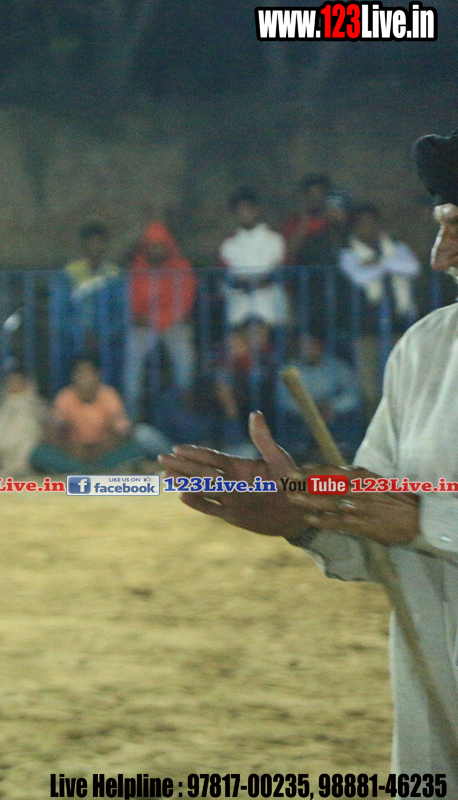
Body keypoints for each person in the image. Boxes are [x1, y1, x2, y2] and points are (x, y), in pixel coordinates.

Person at [158, 127, 458, 773]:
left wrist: (425, 520)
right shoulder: (426, 350)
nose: (440, 257)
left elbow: (409, 520)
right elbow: (379, 528)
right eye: (441, 226)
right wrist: (305, 513)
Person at [338, 204, 421, 416]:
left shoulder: (396, 247)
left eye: (371, 222)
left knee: (404, 383)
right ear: (354, 227)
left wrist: (378, 264)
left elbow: (413, 268)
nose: (368, 227)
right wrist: (388, 265)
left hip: (399, 325)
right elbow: (359, 276)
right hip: (366, 330)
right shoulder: (348, 253)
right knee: (370, 389)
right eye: (362, 223)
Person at [32, 357, 168, 474]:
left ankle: (88, 472)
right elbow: (55, 435)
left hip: (105, 455)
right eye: (80, 373)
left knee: (138, 444)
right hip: (75, 456)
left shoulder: (108, 395)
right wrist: (73, 449)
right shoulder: (65, 397)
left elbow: (122, 434)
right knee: (39, 453)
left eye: (88, 373)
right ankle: (92, 472)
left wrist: (100, 448)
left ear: (98, 376)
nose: (84, 379)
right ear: (73, 377)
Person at [122, 220, 198, 420]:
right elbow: (134, 306)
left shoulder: (181, 267)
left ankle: (185, 406)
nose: (155, 250)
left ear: (168, 246)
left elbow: (184, 302)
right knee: (132, 356)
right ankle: (132, 414)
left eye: (159, 245)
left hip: (173, 324)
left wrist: (161, 320)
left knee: (184, 354)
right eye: (152, 246)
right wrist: (150, 319)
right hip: (146, 325)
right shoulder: (137, 269)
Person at [275, 333, 363, 462]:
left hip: (333, 416)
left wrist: (332, 407)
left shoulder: (338, 367)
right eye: (304, 345)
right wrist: (308, 410)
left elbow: (353, 394)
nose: (308, 349)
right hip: (301, 418)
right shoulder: (289, 369)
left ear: (321, 345)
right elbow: (283, 399)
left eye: (312, 345)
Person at [220, 188, 287, 328]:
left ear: (257, 210)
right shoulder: (229, 244)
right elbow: (226, 276)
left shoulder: (274, 239)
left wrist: (256, 283)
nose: (245, 214)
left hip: (269, 308)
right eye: (240, 210)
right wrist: (244, 284)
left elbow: (279, 271)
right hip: (239, 309)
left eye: (248, 209)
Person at [211, 318, 278, 458]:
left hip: (263, 403)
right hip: (235, 404)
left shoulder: (269, 354)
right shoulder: (227, 355)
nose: (259, 338)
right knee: (223, 387)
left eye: (262, 334)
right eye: (255, 334)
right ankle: (237, 442)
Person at [65, 221, 124, 354]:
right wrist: (80, 334)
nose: (95, 246)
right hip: (74, 340)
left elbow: (120, 311)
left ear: (105, 245)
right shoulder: (69, 273)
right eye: (91, 242)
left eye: (99, 242)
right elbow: (61, 312)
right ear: (83, 245)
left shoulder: (114, 274)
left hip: (108, 340)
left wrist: (104, 335)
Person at [0, 370, 47, 478]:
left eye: (17, 382)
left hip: (30, 452)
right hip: (1, 455)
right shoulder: (1, 407)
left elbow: (36, 429)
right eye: (10, 382)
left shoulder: (34, 404)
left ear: (26, 384)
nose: (12, 385)